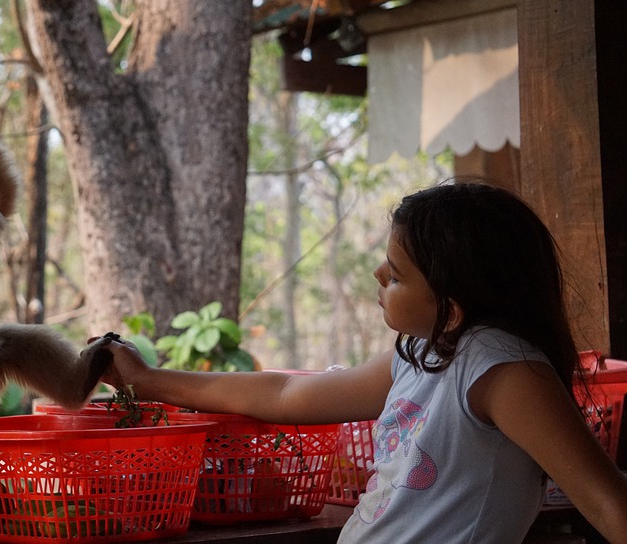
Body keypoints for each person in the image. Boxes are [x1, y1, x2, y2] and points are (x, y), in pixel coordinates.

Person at [99, 181, 627, 543]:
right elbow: (284, 394)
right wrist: (148, 380)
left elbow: (605, 502)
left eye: (396, 275)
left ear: (452, 311)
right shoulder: (420, 354)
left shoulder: (503, 370)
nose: (377, 275)